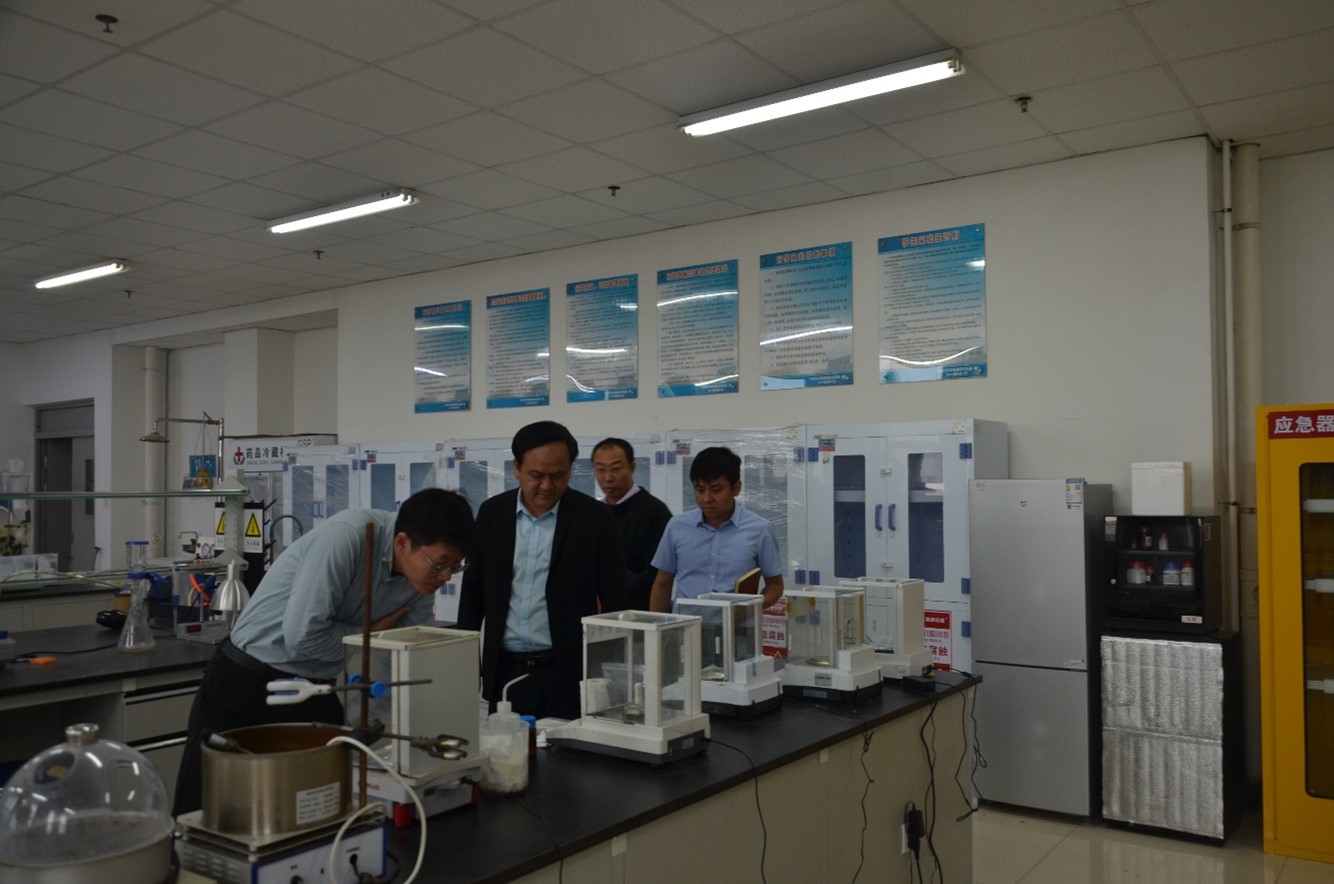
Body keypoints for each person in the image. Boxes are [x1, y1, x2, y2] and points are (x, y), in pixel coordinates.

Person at [173, 488, 474, 816]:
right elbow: (302, 637)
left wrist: (368, 720)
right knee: (207, 809)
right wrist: (369, 634)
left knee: (311, 811)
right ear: (403, 543)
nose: (445, 578)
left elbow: (400, 658)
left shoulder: (421, 584)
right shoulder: (349, 537)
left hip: (316, 690)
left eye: (455, 567)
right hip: (247, 683)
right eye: (440, 565)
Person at [457, 421, 626, 720]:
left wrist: (611, 674)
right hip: (506, 671)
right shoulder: (492, 514)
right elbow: (473, 592)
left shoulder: (594, 519)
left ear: (570, 470)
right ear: (517, 468)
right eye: (536, 475)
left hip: (567, 673)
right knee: (506, 746)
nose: (547, 486)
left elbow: (614, 600)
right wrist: (466, 664)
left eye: (558, 476)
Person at [649, 446, 784, 612]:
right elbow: (662, 584)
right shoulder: (677, 527)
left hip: (736, 626)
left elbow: (775, 585)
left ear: (736, 488)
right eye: (700, 490)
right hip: (686, 625)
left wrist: (750, 607)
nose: (706, 498)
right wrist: (658, 625)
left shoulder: (760, 529)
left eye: (716, 490)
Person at [591, 437, 672, 610]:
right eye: (600, 470)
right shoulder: (593, 513)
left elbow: (657, 574)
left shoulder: (654, 512)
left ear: (632, 467)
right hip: (597, 614)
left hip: (639, 613)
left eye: (616, 469)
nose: (608, 478)